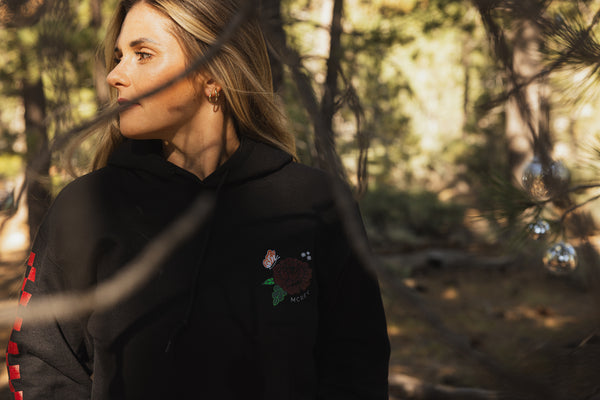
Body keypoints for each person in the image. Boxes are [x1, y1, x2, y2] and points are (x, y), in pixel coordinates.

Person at [6, 0, 390, 399]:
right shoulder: (85, 206)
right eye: (119, 57)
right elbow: (41, 361)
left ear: (213, 73)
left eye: (143, 55)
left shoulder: (316, 204)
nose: (115, 75)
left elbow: (357, 366)